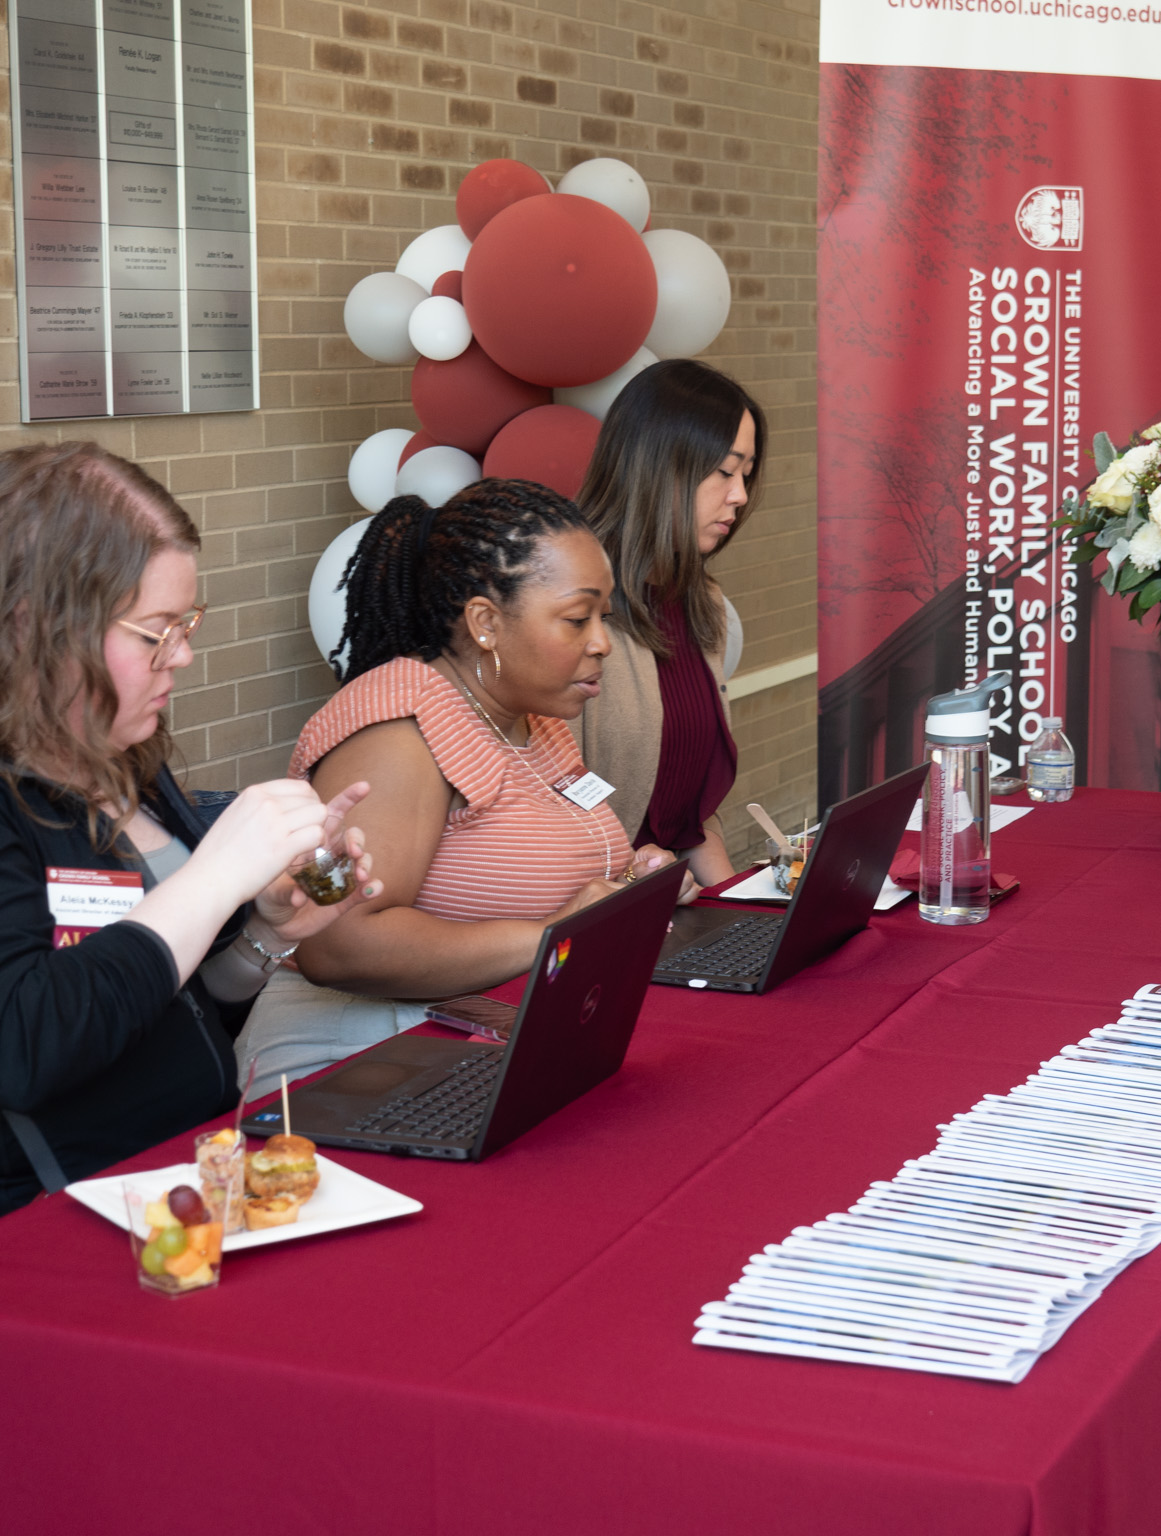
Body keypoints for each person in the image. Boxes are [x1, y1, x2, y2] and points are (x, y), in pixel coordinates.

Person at [0, 443, 378, 1348]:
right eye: (155, 632)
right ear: (31, 621)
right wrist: (213, 879)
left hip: (138, 1202)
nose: (182, 659)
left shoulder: (101, 752)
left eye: (189, 623)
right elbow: (17, 1046)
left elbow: (139, 1008)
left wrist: (259, 936)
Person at [240, 480, 680, 1082]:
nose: (602, 643)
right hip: (353, 1059)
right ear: (485, 623)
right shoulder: (398, 728)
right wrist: (557, 935)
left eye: (604, 617)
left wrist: (630, 885)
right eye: (577, 619)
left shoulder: (532, 720)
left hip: (474, 1032)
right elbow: (337, 943)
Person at [574, 359, 766, 890]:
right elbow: (547, 805)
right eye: (725, 471)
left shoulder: (700, 601)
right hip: (585, 916)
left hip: (663, 900)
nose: (740, 496)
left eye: (745, 475)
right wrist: (638, 877)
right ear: (658, 464)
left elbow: (689, 819)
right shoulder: (567, 607)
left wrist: (735, 907)